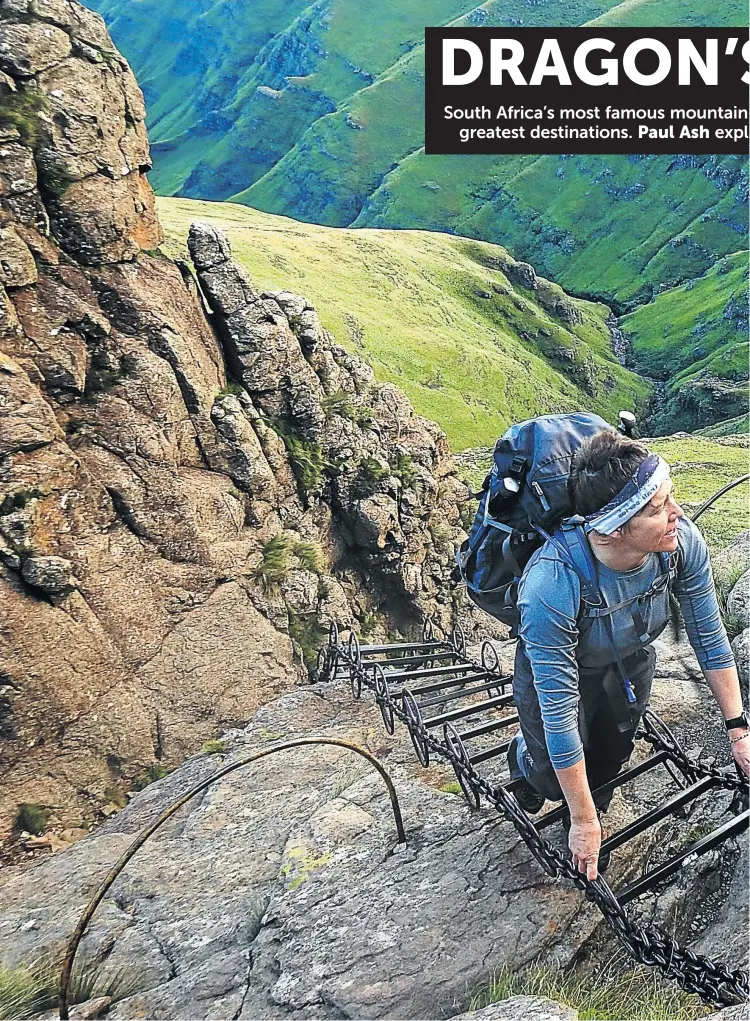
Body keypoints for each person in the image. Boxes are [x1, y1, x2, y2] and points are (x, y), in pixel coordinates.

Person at [506, 429, 750, 881]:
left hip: (629, 660)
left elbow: (709, 637)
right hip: (560, 671)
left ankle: (588, 804)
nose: (678, 514)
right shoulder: (552, 584)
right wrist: (582, 822)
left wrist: (738, 730)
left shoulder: (681, 545)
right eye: (658, 509)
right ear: (615, 527)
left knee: (613, 752)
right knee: (547, 772)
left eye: (671, 497)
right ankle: (526, 762)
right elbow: (558, 714)